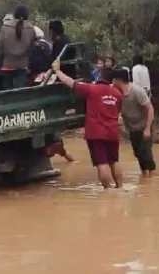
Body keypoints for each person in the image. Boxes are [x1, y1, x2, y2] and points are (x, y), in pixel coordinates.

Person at [52, 60, 124, 189]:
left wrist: (57, 71)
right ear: (112, 80)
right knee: (114, 161)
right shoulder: (118, 94)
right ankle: (120, 187)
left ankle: (108, 190)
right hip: (112, 132)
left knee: (102, 163)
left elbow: (71, 83)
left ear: (100, 77)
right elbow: (118, 112)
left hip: (96, 133)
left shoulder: (91, 89)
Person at [112, 68, 156, 177]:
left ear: (118, 80)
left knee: (145, 152)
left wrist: (147, 129)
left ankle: (153, 176)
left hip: (144, 126)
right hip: (132, 128)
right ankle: (144, 176)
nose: (112, 82)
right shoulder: (116, 92)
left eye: (113, 79)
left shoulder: (137, 91)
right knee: (137, 153)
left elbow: (150, 108)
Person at [0, 4, 36, 89]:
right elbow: (32, 50)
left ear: (14, 14)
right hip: (22, 66)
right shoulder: (31, 29)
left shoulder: (5, 28)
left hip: (7, 65)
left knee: (7, 92)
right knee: (20, 91)